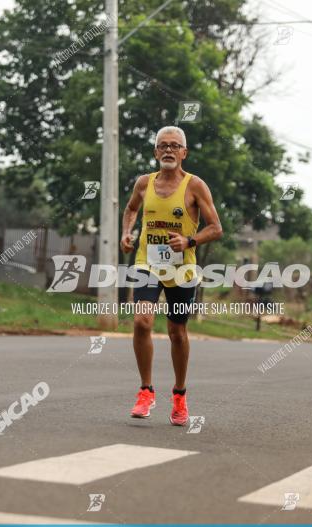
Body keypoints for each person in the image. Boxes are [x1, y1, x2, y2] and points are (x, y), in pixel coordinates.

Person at [120, 126, 223, 425]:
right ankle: (146, 391)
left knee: (176, 332)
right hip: (146, 264)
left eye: (174, 145)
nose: (168, 150)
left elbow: (216, 228)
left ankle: (179, 395)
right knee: (142, 321)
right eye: (162, 145)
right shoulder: (143, 183)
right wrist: (127, 232)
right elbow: (130, 209)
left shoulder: (195, 186)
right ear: (155, 152)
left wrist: (189, 241)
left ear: (184, 153)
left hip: (181, 269)